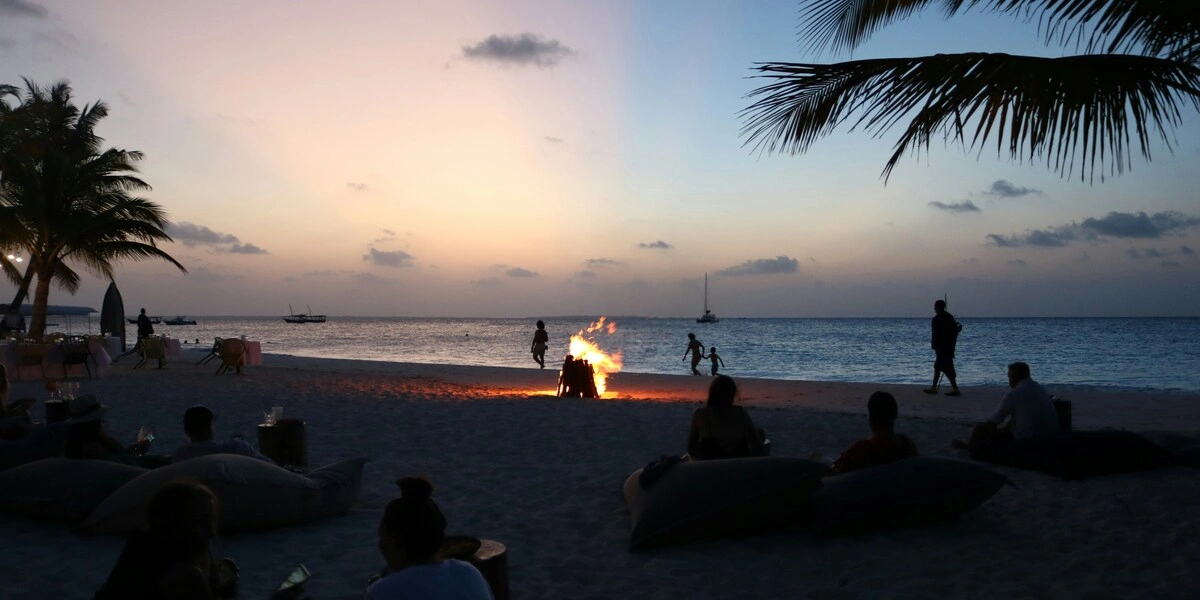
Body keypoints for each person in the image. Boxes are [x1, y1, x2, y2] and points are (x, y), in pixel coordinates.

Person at [95, 480, 305, 600]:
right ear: (176, 525)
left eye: (211, 521)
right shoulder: (182, 575)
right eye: (202, 523)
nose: (211, 532)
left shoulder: (141, 548)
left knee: (226, 569)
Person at [366, 476, 493, 600]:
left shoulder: (382, 592)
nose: (380, 546)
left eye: (382, 537)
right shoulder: (468, 572)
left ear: (393, 542)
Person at [955, 362, 1060, 456]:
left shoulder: (1014, 395)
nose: (1008, 380)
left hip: (1026, 440)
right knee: (1014, 419)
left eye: (1009, 376)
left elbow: (992, 422)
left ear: (1015, 377)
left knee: (980, 428)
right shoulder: (1039, 389)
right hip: (1048, 437)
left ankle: (970, 449)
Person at [64, 395, 169, 468]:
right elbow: (129, 466)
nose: (104, 423)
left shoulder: (74, 449)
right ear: (95, 425)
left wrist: (133, 450)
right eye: (101, 420)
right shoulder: (99, 454)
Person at [828, 391, 918, 475]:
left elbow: (833, 471)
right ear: (895, 415)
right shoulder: (906, 444)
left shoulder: (861, 449)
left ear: (870, 418)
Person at [686, 375, 768, 460]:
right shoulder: (740, 413)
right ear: (732, 394)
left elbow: (691, 449)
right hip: (737, 467)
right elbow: (758, 446)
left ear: (712, 393)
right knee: (760, 433)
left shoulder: (700, 414)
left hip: (710, 467)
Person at [171, 405, 274, 464]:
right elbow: (270, 465)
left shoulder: (180, 456)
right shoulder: (235, 448)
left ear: (186, 431)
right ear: (209, 428)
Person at [924, 299, 962, 396]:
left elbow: (936, 334)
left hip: (942, 348)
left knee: (945, 368)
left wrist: (934, 345)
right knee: (940, 367)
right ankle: (935, 387)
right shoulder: (949, 317)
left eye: (935, 307)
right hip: (947, 347)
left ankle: (954, 388)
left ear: (938, 307)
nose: (934, 308)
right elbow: (954, 331)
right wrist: (957, 329)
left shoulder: (937, 319)